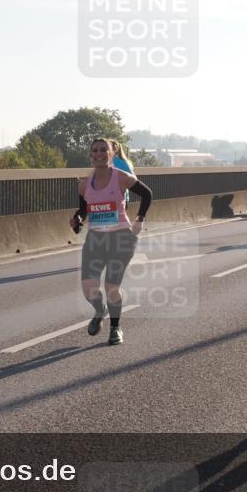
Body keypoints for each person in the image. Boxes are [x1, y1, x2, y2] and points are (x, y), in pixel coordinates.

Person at [71, 139, 153, 346]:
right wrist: (77, 220)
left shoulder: (121, 178)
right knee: (89, 289)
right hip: (95, 239)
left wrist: (139, 220)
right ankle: (100, 310)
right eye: (95, 150)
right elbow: (83, 211)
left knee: (111, 287)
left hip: (120, 238)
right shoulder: (84, 185)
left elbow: (147, 194)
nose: (99, 153)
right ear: (91, 155)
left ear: (111, 153)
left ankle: (115, 328)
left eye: (103, 150)